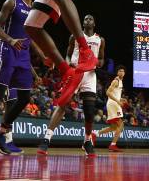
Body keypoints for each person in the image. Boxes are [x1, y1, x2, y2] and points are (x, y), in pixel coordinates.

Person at [0, 0, 42, 155]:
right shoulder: (12, 2)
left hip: (24, 56)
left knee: (25, 97)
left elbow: (33, 38)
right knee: (0, 93)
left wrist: (43, 55)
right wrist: (10, 40)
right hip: (8, 49)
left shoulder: (35, 11)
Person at [37, 14, 105, 156]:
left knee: (89, 110)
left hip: (90, 75)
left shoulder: (100, 40)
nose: (87, 20)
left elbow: (101, 59)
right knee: (63, 104)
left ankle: (87, 141)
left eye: (90, 19)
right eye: (85, 19)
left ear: (94, 23)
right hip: (75, 71)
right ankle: (46, 139)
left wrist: (97, 63)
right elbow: (68, 54)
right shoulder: (74, 36)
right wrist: (68, 66)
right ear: (82, 23)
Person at [95, 66, 126, 152]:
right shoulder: (116, 81)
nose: (122, 72)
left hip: (114, 103)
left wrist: (120, 99)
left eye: (123, 71)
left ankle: (95, 134)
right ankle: (113, 145)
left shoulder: (120, 82)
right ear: (117, 73)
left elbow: (115, 94)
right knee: (121, 125)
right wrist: (117, 101)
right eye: (120, 71)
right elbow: (108, 92)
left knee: (113, 127)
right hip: (113, 104)